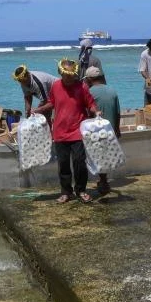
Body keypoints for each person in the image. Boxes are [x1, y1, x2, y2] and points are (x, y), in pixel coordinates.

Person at [33, 58, 99, 204]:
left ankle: (81, 190)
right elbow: (51, 103)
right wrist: (38, 110)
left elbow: (91, 104)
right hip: (60, 132)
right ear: (60, 73)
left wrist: (96, 112)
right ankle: (66, 192)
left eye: (71, 75)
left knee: (79, 162)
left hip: (78, 131)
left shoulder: (82, 87)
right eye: (66, 75)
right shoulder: (55, 86)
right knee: (63, 164)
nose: (69, 78)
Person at [83, 66, 120, 196]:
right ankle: (104, 181)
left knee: (98, 158)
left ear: (88, 79)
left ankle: (103, 183)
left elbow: (87, 113)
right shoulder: (112, 90)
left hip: (96, 130)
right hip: (110, 130)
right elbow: (118, 112)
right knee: (105, 156)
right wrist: (117, 129)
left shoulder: (89, 92)